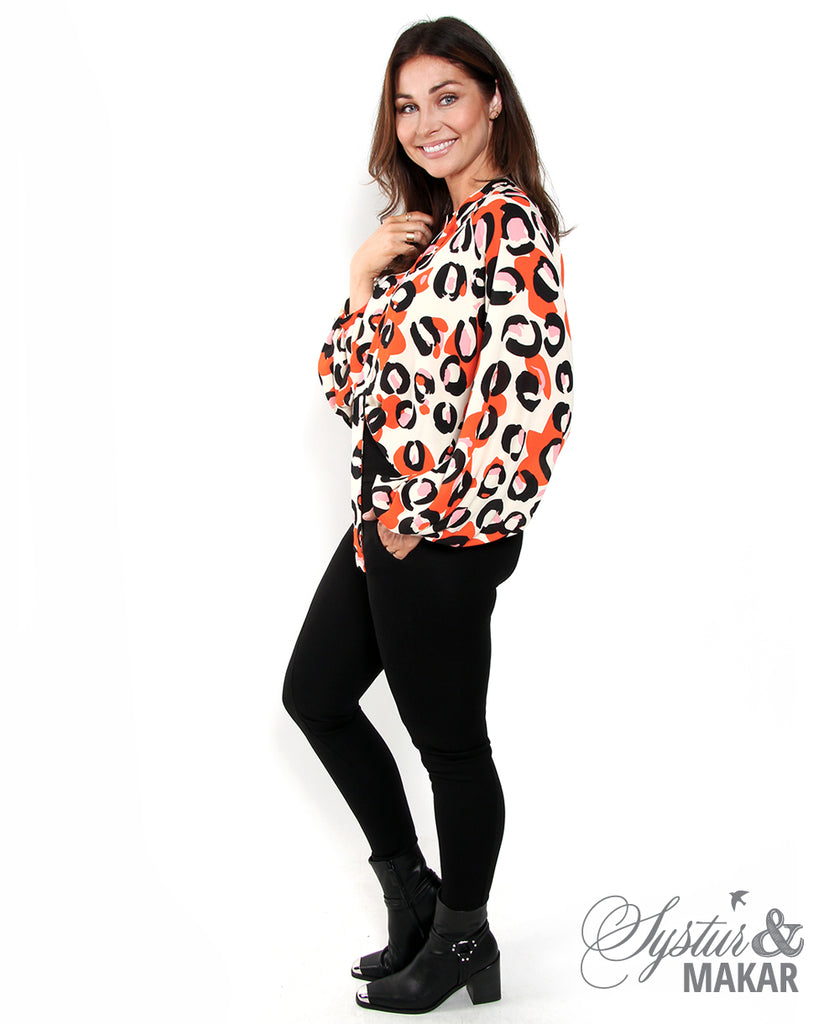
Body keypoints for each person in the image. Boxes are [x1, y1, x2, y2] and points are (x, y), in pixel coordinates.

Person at [282, 15, 574, 1014]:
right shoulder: (428, 235)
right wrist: (362, 277)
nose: (425, 122)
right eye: (407, 106)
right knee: (315, 695)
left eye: (446, 96)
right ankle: (415, 902)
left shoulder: (506, 224)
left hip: (441, 533)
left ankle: (462, 936)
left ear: (492, 98)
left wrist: (430, 518)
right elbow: (346, 388)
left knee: (448, 744)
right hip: (383, 526)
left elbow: (534, 406)